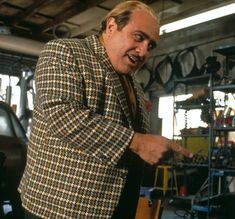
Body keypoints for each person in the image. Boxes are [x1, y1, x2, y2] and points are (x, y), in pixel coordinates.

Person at [18, 1, 193, 219]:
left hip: (116, 207)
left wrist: (157, 149)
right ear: (111, 26)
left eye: (150, 46)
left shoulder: (134, 84)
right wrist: (139, 143)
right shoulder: (64, 51)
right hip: (62, 207)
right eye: (138, 37)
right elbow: (62, 115)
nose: (143, 51)